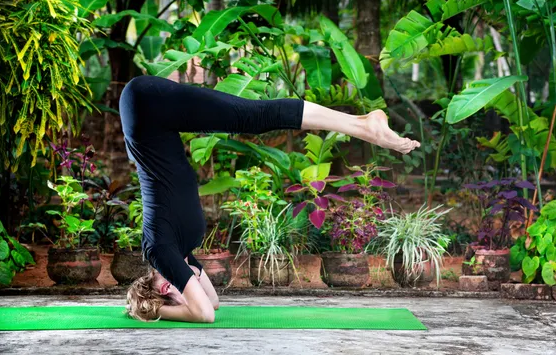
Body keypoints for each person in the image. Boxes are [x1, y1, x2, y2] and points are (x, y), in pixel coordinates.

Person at [121, 75, 419, 322]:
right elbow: (212, 304)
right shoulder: (181, 251)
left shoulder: (160, 249)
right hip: (152, 118)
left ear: (159, 285)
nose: (182, 289)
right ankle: (363, 122)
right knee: (251, 117)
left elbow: (201, 314)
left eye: (170, 292)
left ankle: (366, 127)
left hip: (145, 108)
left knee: (254, 116)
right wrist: (169, 298)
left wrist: (158, 310)